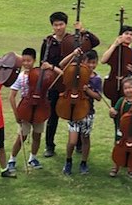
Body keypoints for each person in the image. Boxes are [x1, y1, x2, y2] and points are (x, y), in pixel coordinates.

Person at [40, 10, 100, 158]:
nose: (58, 27)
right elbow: (43, 63)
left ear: (66, 25)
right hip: (56, 84)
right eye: (55, 25)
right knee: (53, 116)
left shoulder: (74, 39)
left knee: (77, 114)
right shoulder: (48, 42)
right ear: (52, 26)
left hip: (74, 84)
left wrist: (84, 30)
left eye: (61, 24)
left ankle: (79, 143)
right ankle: (49, 145)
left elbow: (95, 42)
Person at [8, 48, 63, 172]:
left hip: (40, 108)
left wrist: (51, 67)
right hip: (25, 109)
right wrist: (16, 114)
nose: (26, 63)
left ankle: (33, 157)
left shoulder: (41, 74)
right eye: (24, 61)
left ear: (34, 61)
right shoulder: (21, 76)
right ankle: (12, 159)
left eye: (29, 61)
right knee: (22, 136)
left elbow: (61, 74)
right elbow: (12, 96)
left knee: (37, 136)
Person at [59, 49, 102, 175]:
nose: (91, 65)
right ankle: (68, 161)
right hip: (73, 110)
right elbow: (62, 65)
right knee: (72, 141)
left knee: (85, 138)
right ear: (83, 61)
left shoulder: (96, 79)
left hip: (88, 112)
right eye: (89, 62)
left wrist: (88, 91)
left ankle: (83, 162)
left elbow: (98, 97)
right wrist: (73, 54)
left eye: (94, 63)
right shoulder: (76, 73)